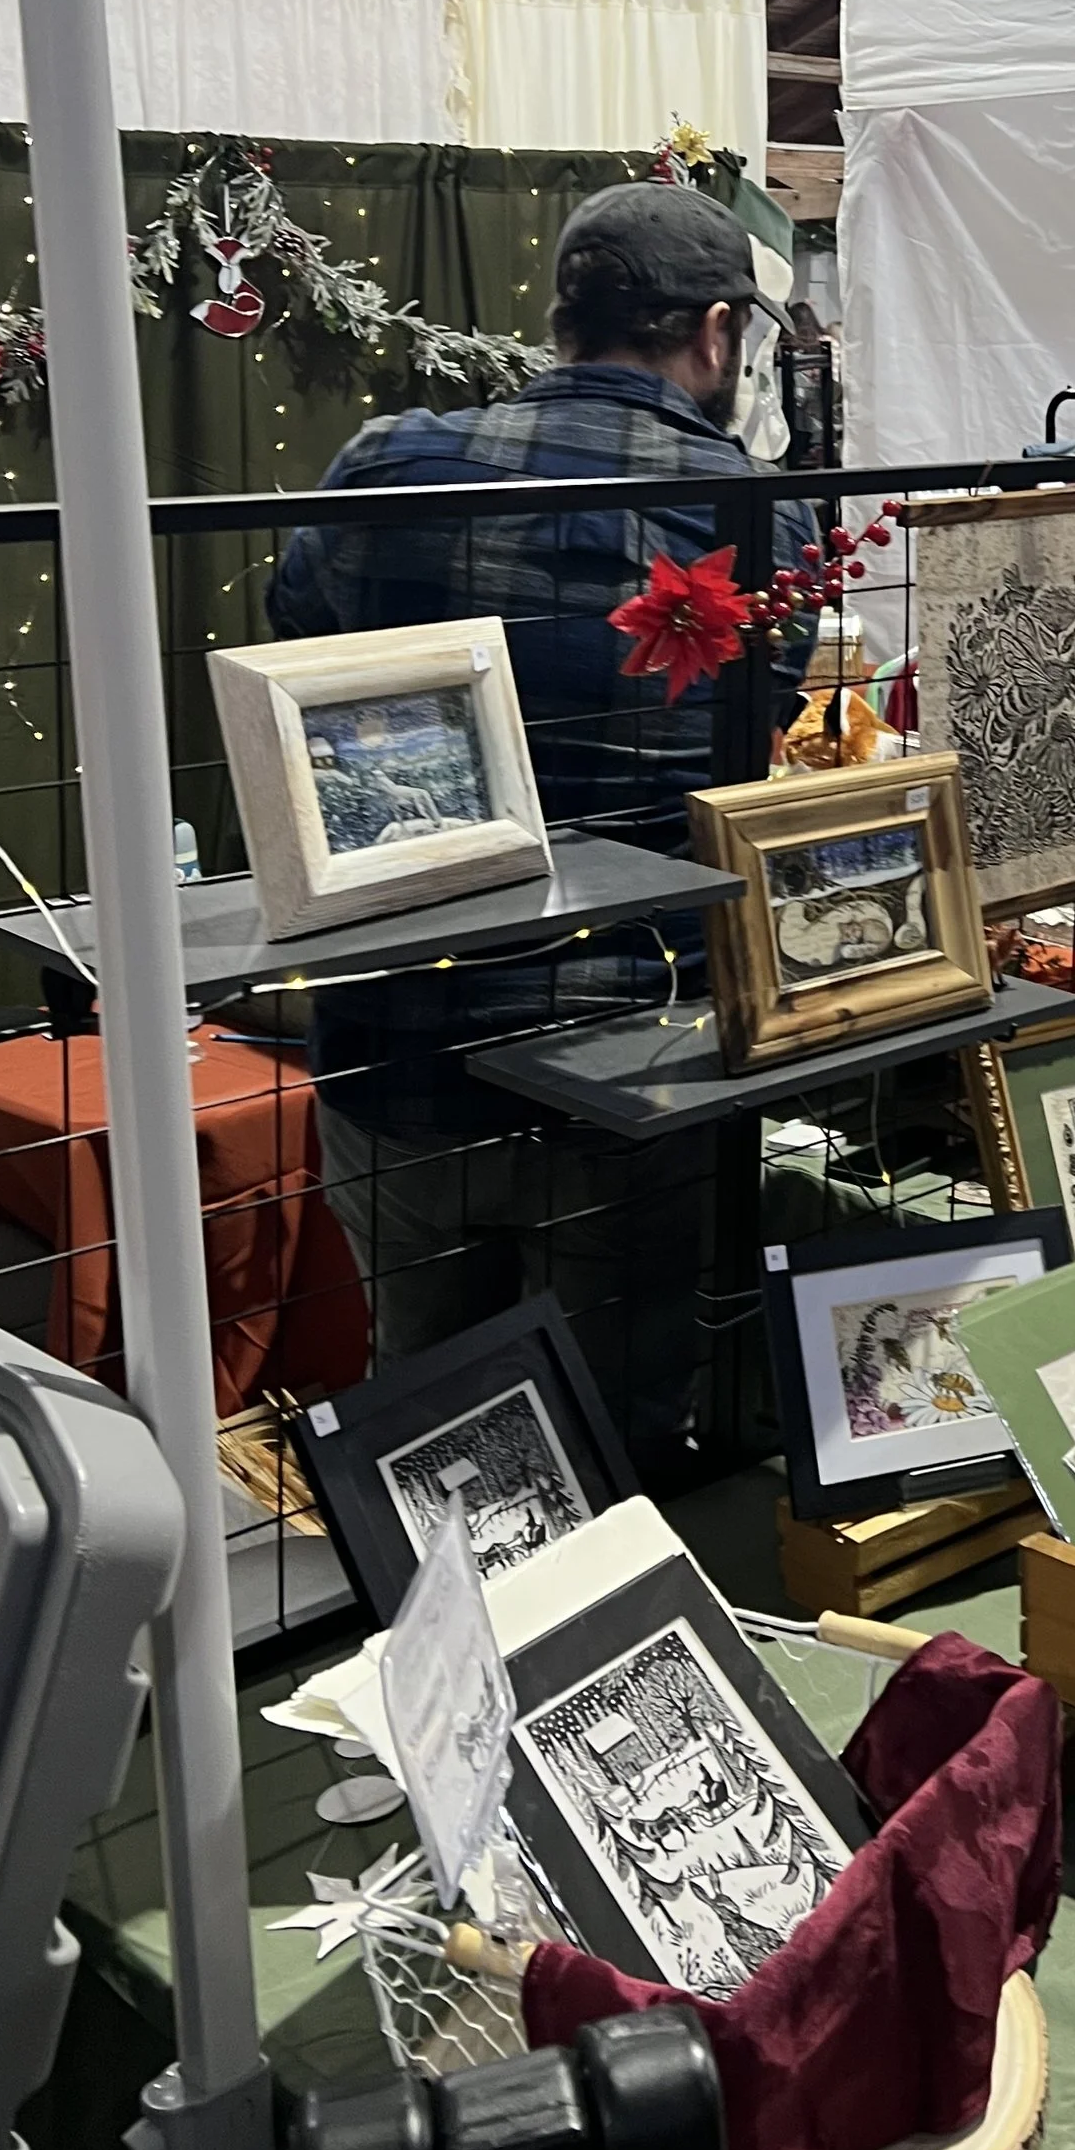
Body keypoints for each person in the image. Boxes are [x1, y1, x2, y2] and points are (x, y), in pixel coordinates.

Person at [268, 182, 813, 1472]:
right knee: (616, 1439)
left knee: (427, 1424)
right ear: (719, 332)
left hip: (404, 1036)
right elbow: (758, 721)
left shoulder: (392, 465)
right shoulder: (755, 514)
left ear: (563, 318)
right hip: (637, 1051)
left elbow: (298, 663)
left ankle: (428, 1656)